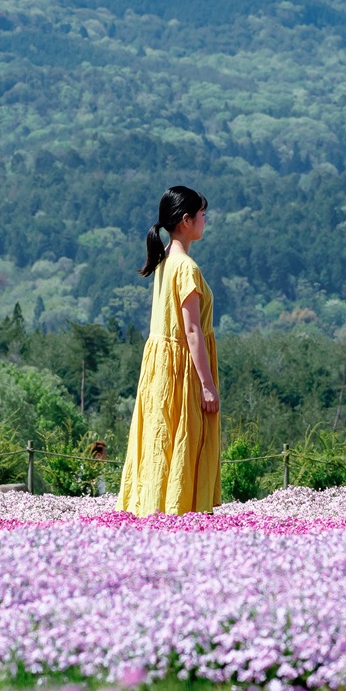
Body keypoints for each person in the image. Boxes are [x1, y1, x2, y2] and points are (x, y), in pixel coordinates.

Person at [117, 185, 221, 515]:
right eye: (202, 214)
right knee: (185, 438)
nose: (206, 220)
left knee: (161, 437)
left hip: (160, 368)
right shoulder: (186, 267)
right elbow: (192, 331)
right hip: (183, 369)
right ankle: (181, 510)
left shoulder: (164, 263)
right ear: (186, 221)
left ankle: (155, 509)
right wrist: (207, 384)